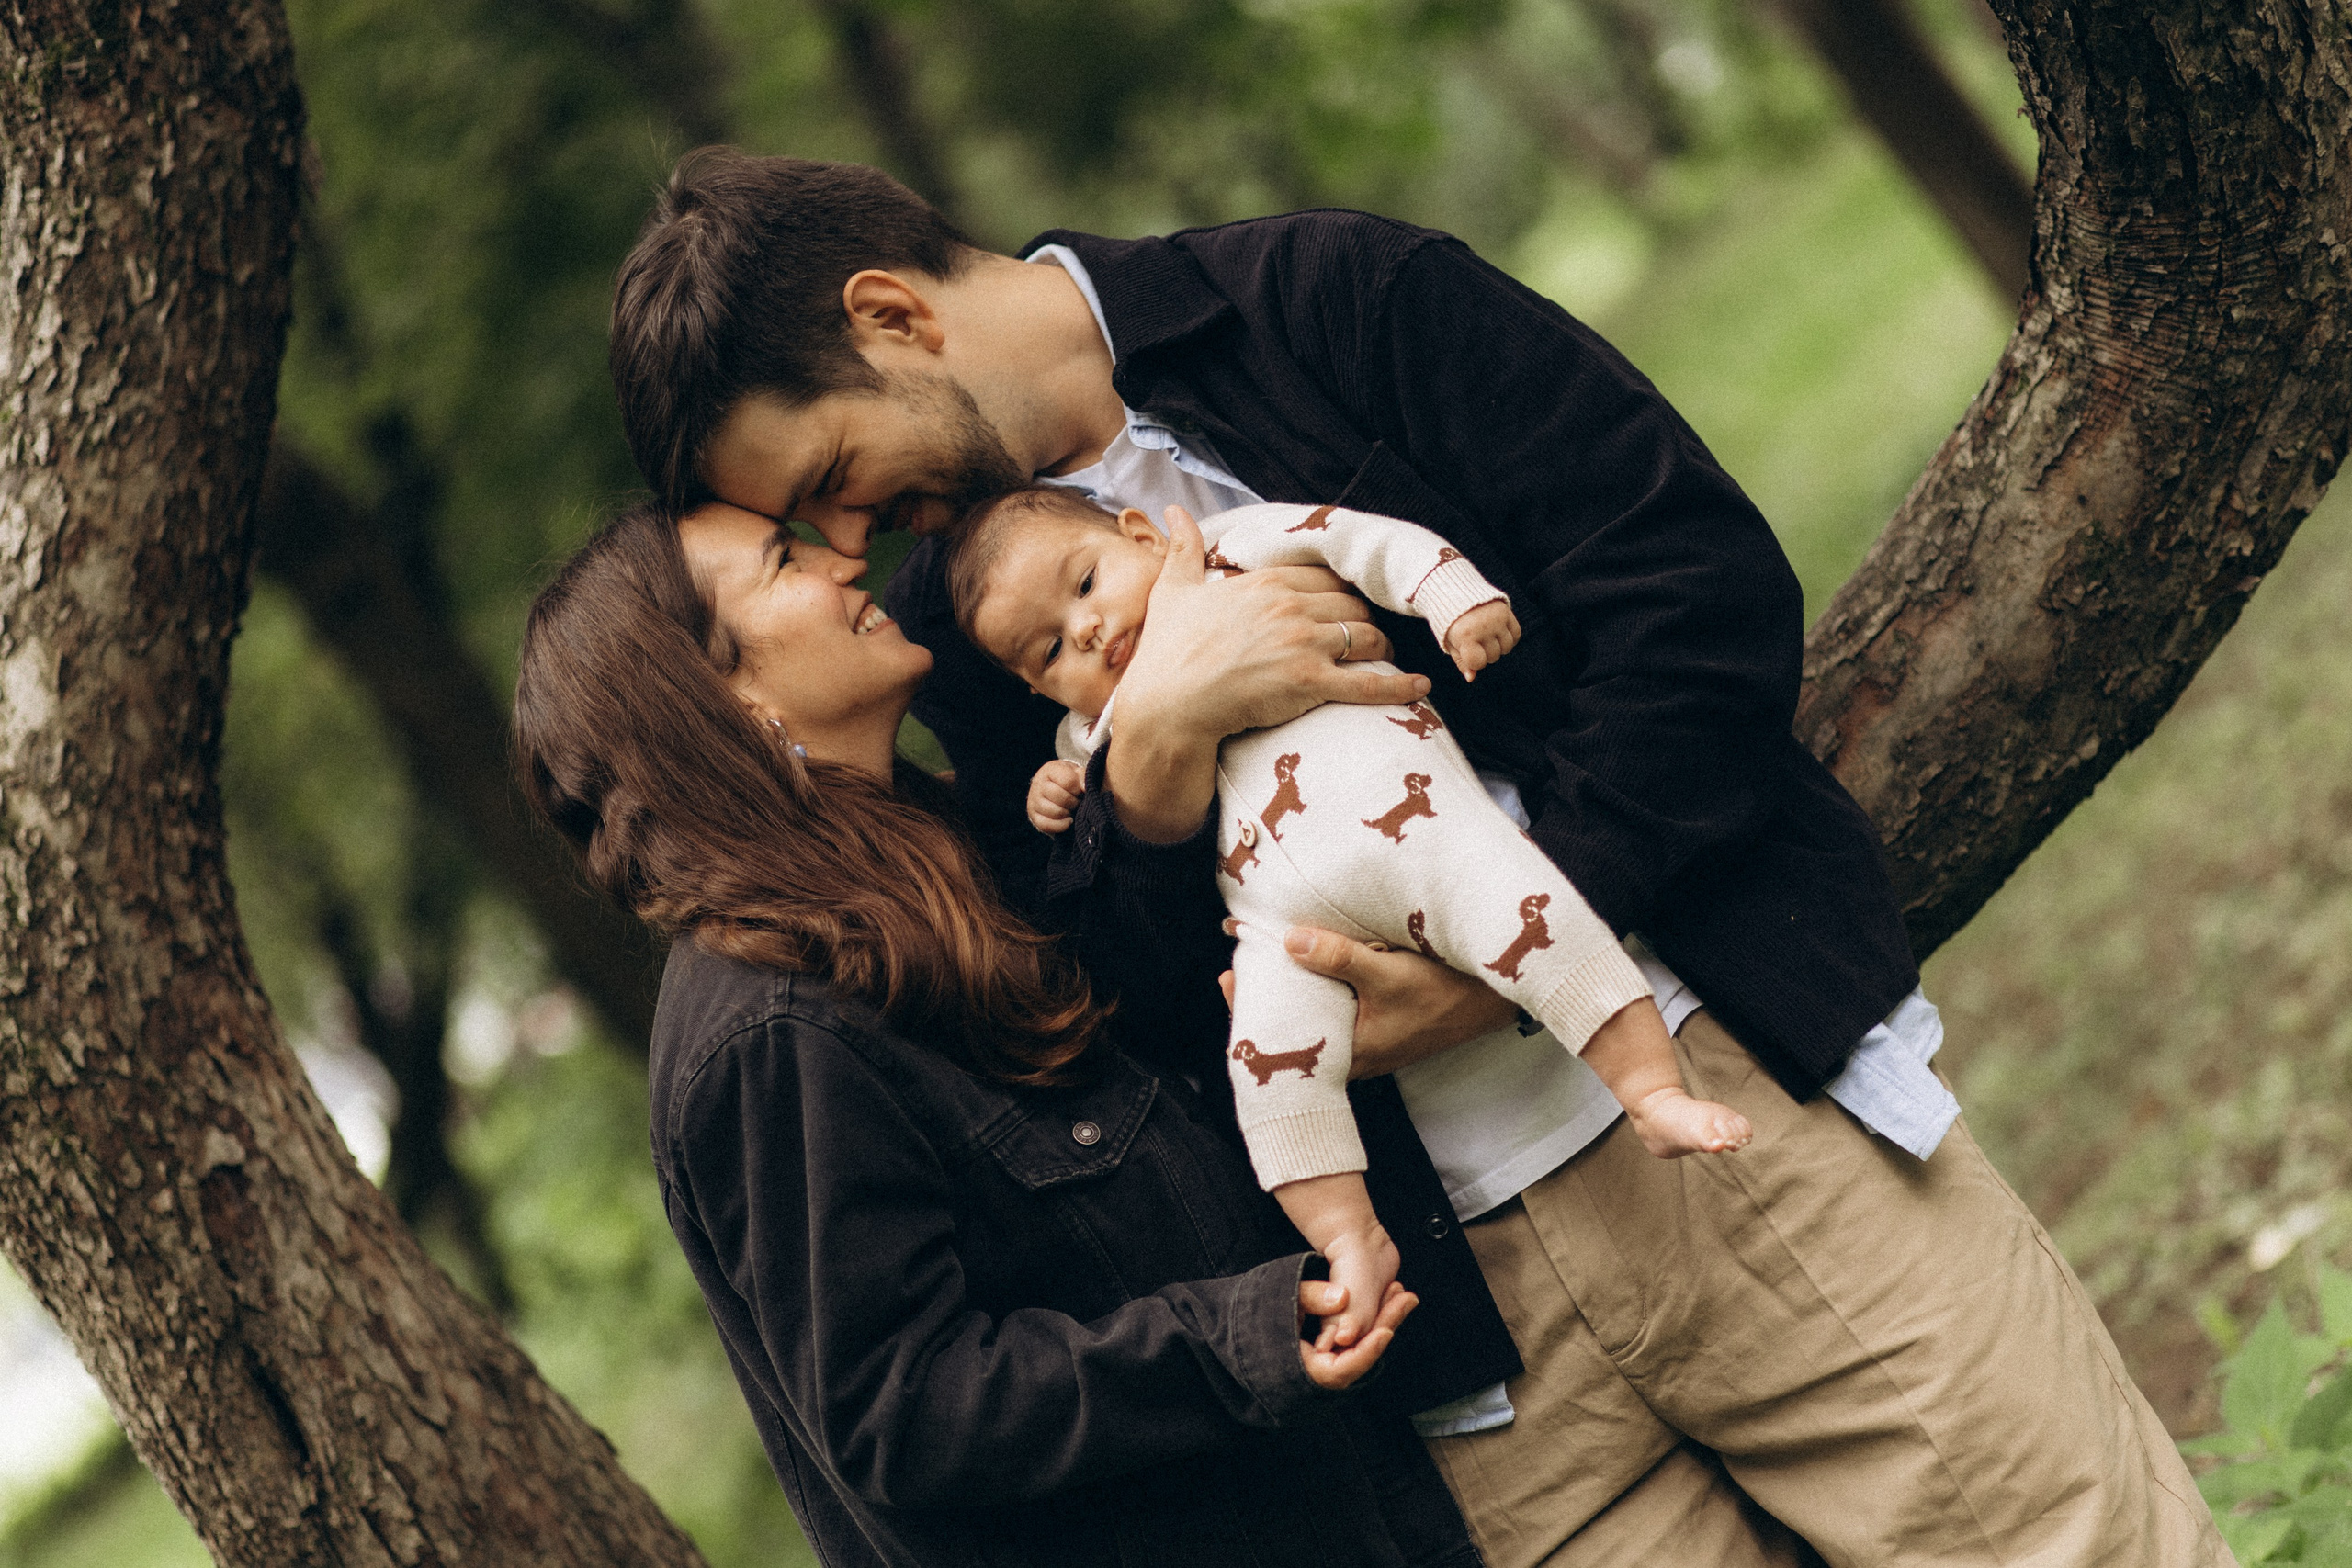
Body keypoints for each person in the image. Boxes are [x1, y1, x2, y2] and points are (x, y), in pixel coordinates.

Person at [605, 151, 2230, 1564]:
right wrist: (1155, 761)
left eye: (829, 479)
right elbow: (1118, 1000)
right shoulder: (965, 637)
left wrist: (1519, 944)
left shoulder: (1330, 300)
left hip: (1733, 1131)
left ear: (892, 316)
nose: (863, 536)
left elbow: (1695, 595)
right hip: (1471, 1354)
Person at [511, 497, 1478, 1568]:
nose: (846, 558)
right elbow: (903, 1408)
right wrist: (1239, 1338)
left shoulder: (937, 851)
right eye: (787, 558)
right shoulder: (771, 1032)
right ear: (726, 705)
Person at [948, 485, 1752, 1353]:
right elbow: (1092, 798)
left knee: (1537, 917)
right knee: (1267, 1066)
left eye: (1087, 585)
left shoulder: (1228, 553)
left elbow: (1356, 538)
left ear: (1143, 533)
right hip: (1277, 931)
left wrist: (1450, 595)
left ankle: (1650, 1090)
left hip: (1419, 840)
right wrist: (1058, 786)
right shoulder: (1093, 726)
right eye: (1050, 650)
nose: (1091, 632)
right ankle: (1349, 1236)